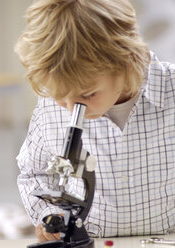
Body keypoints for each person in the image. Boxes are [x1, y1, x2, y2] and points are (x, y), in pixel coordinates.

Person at [15, 0, 175, 242]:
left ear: (128, 62)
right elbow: (34, 173)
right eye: (60, 97)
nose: (72, 108)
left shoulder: (171, 91)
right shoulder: (48, 107)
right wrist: (50, 216)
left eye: (88, 94)